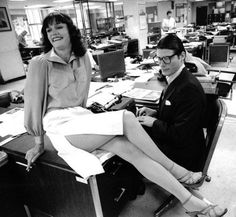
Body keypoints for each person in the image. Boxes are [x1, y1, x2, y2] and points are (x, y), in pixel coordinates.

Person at [24, 12, 227, 217]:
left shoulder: (84, 57)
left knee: (129, 149)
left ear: (70, 30)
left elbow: (82, 98)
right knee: (127, 118)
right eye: (48, 29)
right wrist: (38, 143)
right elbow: (33, 105)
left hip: (80, 117)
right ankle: (176, 170)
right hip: (59, 124)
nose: (53, 33)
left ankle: (189, 200)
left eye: (58, 27)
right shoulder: (39, 64)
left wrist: (91, 117)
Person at [137, 34, 207, 172]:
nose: (162, 64)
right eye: (159, 58)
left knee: (132, 143)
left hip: (184, 155)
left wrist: (154, 122)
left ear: (182, 56)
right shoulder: (176, 78)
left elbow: (180, 135)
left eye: (167, 58)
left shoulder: (188, 88)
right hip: (179, 144)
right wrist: (156, 113)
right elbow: (177, 114)